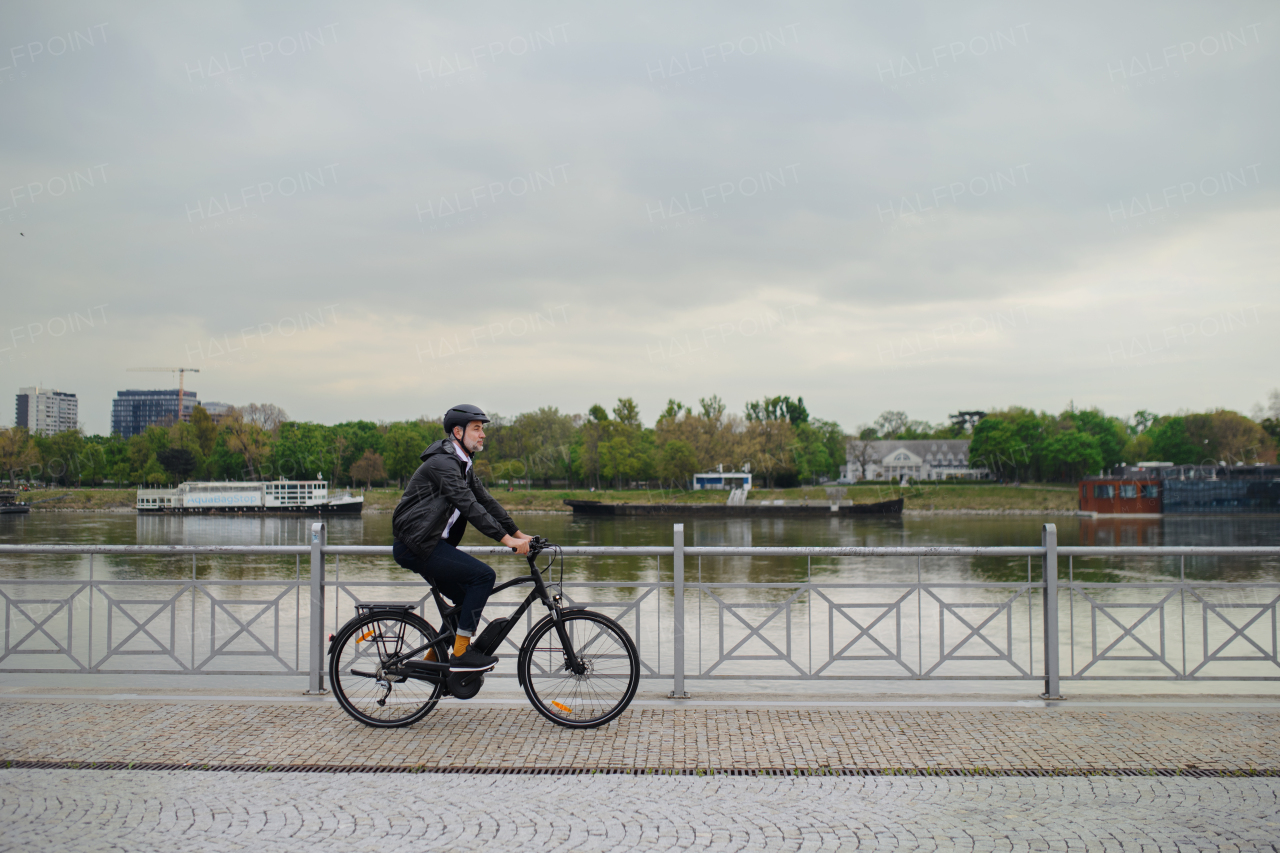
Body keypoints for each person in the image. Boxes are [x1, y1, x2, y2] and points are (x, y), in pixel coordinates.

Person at [391, 404, 533, 672]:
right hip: (417, 546)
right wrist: (507, 541)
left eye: (482, 429)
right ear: (458, 431)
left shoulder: (463, 464)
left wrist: (518, 534)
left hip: (431, 545)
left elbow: (486, 501)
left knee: (466, 598)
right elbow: (468, 504)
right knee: (483, 577)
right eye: (477, 429)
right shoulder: (443, 463)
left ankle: (433, 664)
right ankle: (460, 653)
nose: (483, 435)